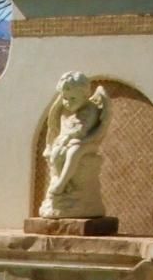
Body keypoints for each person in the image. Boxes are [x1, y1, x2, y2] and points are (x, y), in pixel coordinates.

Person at [40, 71, 110, 218]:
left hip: (87, 143)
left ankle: (61, 184)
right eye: (64, 98)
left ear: (85, 96)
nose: (67, 103)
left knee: (74, 152)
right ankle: (65, 185)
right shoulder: (65, 111)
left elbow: (83, 131)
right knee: (57, 152)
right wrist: (56, 143)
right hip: (70, 142)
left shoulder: (91, 109)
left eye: (72, 98)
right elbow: (57, 128)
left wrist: (74, 140)